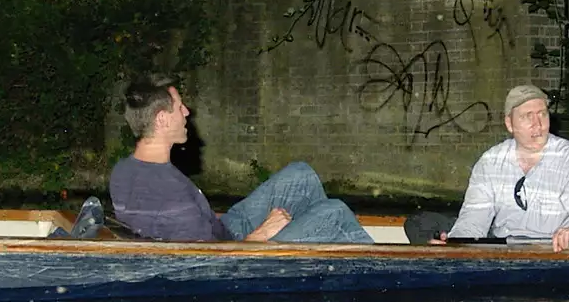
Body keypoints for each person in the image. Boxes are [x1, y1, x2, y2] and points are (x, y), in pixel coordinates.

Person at [108, 75, 372, 243]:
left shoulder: (125, 169)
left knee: (300, 175)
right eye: (180, 108)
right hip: (234, 255)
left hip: (222, 232)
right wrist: (261, 235)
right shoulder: (168, 190)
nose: (187, 112)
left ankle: (309, 252)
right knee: (334, 212)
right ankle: (382, 270)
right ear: (163, 120)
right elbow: (205, 266)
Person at [436, 84, 569, 252]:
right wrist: (453, 244)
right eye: (527, 116)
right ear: (509, 124)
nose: (538, 125)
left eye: (542, 114)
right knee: (420, 224)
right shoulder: (490, 162)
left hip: (556, 255)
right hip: (505, 256)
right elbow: (473, 220)